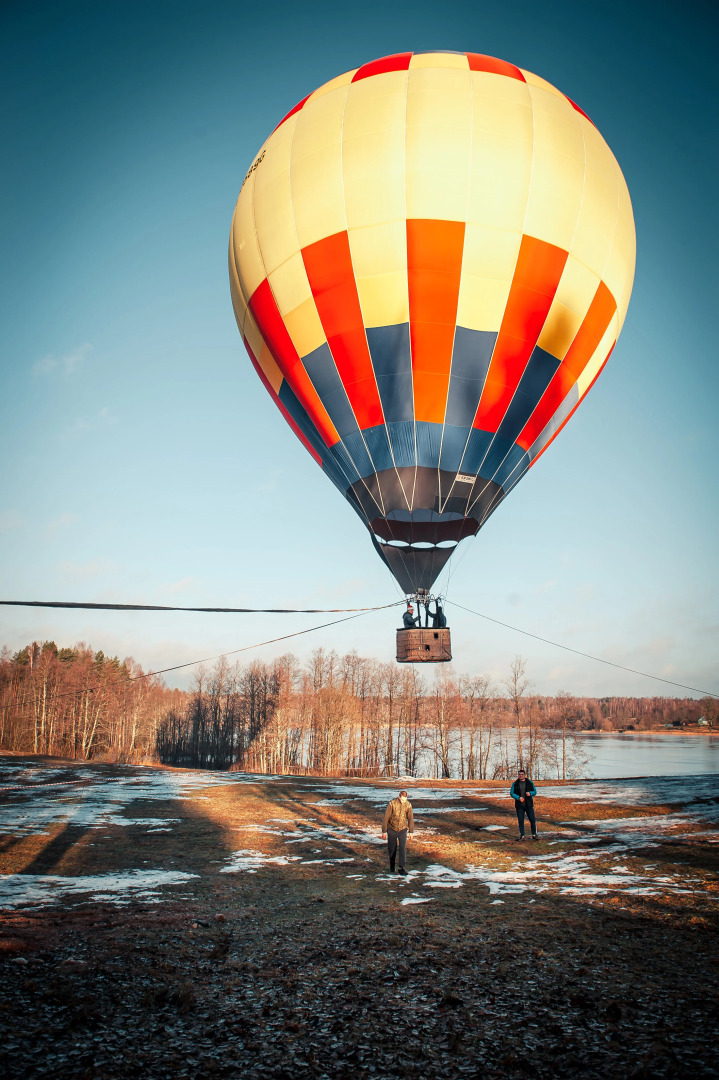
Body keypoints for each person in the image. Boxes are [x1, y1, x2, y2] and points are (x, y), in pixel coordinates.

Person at [382, 790, 414, 874]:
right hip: (392, 829)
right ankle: (392, 866)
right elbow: (386, 817)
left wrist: (411, 831)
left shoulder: (408, 805)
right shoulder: (392, 803)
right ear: (399, 797)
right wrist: (384, 831)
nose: (404, 801)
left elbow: (410, 818)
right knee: (392, 849)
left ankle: (401, 868)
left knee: (402, 849)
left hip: (403, 829)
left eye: (405, 799)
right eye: (403, 799)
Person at [510, 769, 538, 840]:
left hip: (529, 805)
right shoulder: (515, 783)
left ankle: (534, 835)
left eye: (522, 774)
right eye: (519, 774)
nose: (521, 776)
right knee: (521, 820)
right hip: (519, 805)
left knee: (532, 820)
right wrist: (518, 798)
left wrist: (530, 793)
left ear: (524, 775)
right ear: (518, 775)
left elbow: (535, 791)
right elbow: (511, 793)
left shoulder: (530, 782)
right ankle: (522, 836)